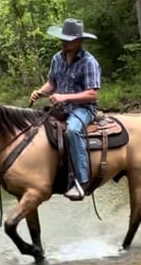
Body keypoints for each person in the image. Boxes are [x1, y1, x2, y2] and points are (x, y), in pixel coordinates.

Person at [30, 18, 101, 200]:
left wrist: (65, 97)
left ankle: (82, 180)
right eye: (63, 39)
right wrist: (40, 92)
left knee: (72, 131)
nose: (64, 43)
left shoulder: (88, 62)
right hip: (61, 108)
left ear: (79, 41)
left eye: (69, 40)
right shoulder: (57, 58)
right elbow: (52, 83)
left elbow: (92, 94)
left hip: (84, 109)